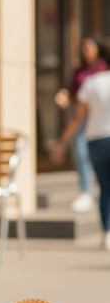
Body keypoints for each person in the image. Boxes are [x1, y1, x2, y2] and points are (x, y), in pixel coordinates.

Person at [52, 38, 110, 248]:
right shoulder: (83, 76)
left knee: (105, 188)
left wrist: (61, 142)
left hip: (95, 140)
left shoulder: (91, 83)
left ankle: (107, 233)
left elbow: (78, 117)